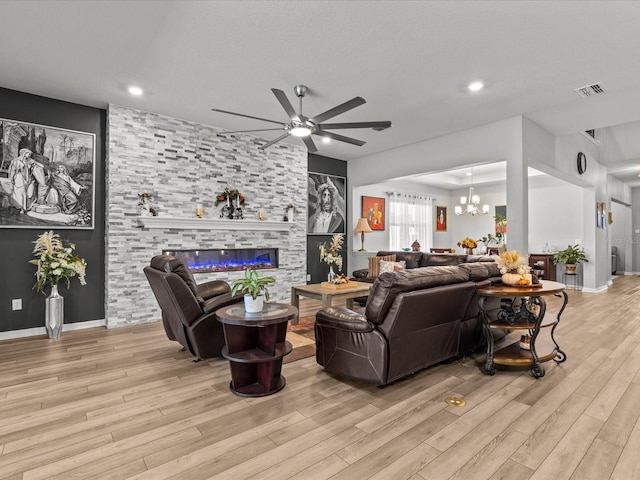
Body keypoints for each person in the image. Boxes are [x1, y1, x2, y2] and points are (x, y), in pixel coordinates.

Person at [8, 148, 32, 213]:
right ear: (24, 153)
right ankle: (21, 207)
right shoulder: (16, 161)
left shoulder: (27, 161)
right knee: (20, 192)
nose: (29, 155)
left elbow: (28, 172)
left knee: (24, 193)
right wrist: (12, 178)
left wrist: (28, 179)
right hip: (19, 178)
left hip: (25, 179)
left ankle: (23, 207)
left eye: (30, 154)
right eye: (28, 154)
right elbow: (13, 171)